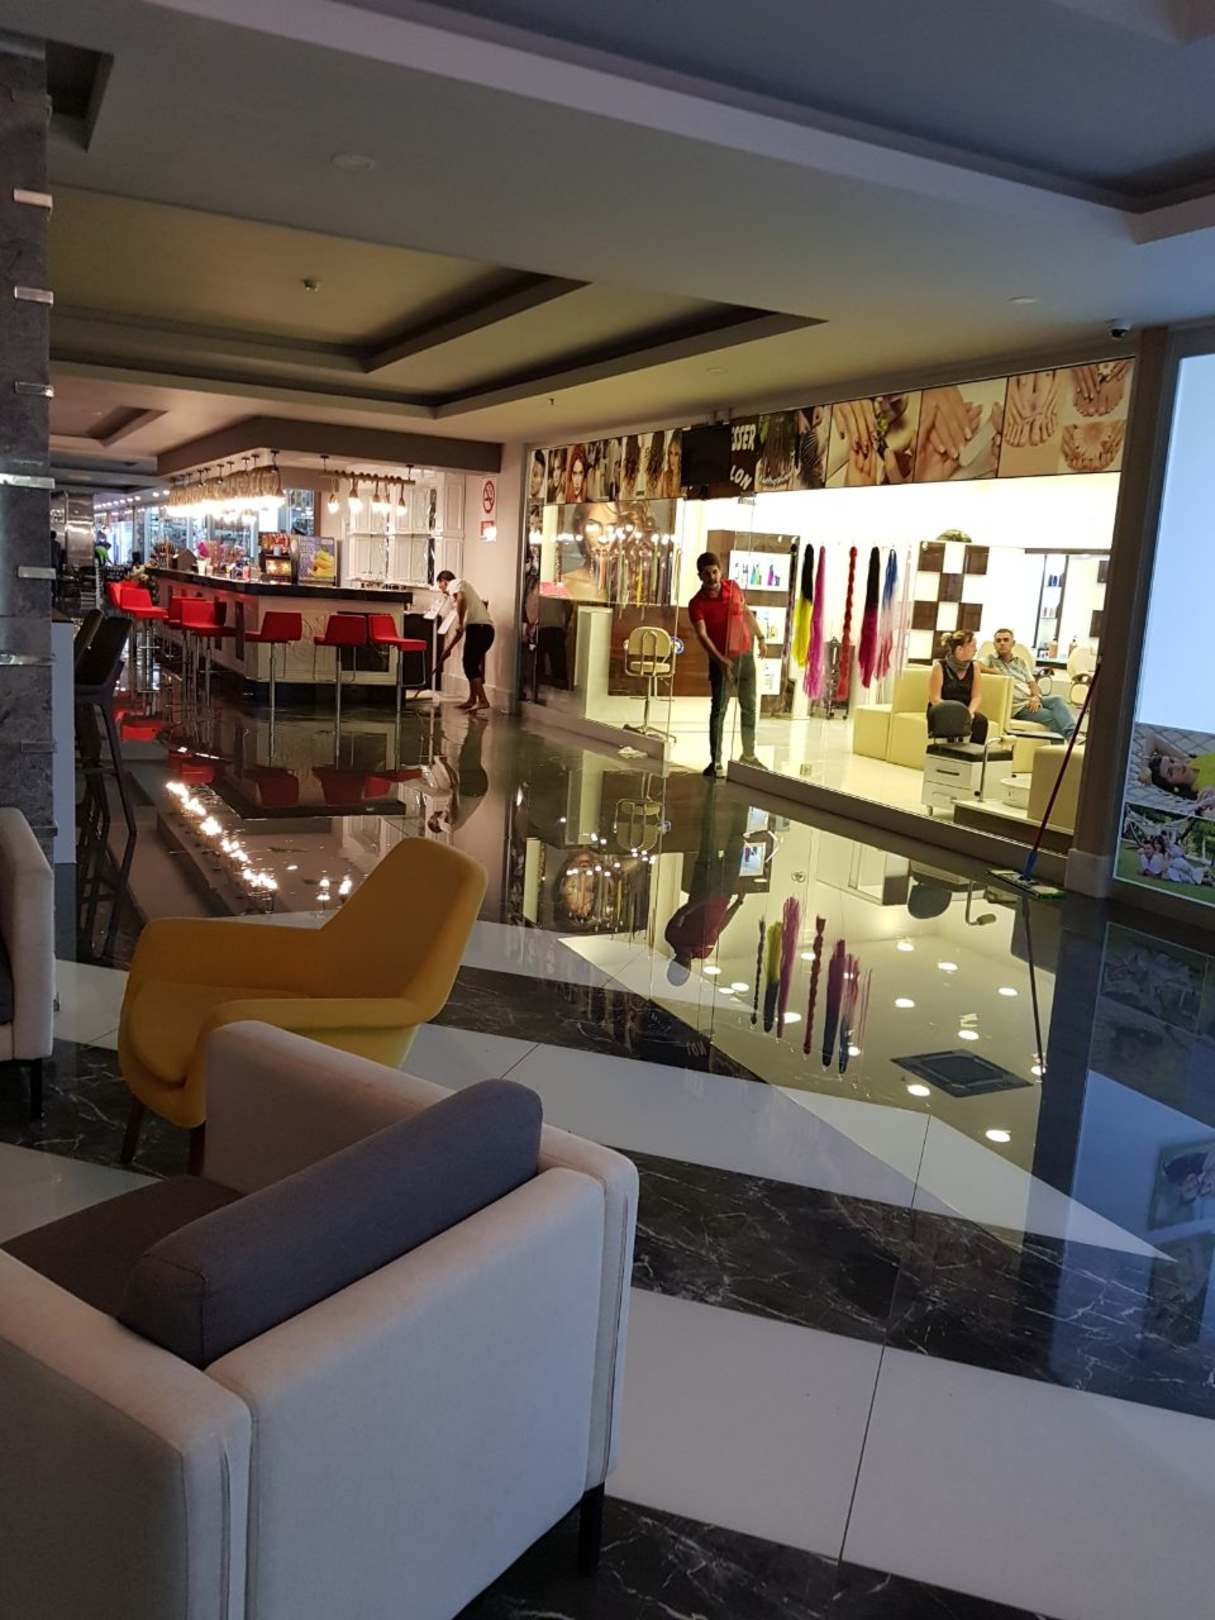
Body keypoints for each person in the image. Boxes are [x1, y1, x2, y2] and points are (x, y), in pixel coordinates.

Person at [688, 551, 767, 777]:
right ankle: (715, 762)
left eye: (715, 572)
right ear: (700, 576)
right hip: (721, 660)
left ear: (720, 571)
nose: (712, 577)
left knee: (749, 707)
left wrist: (760, 637)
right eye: (706, 574)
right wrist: (720, 660)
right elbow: (702, 635)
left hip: (745, 656)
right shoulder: (696, 604)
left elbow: (746, 613)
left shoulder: (733, 587)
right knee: (719, 710)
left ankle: (749, 756)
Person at [983, 628, 1075, 740]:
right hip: (1018, 707)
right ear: (994, 644)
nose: (1002, 643)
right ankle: (1062, 747)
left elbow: (1032, 683)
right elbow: (976, 666)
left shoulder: (1020, 662)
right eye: (998, 641)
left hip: (1030, 699)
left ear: (1013, 643)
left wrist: (1035, 697)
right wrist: (996, 672)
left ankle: (1073, 736)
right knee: (1053, 717)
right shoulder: (990, 660)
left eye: (1006, 640)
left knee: (1057, 700)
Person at [437, 569, 494, 714]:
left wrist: (460, 622)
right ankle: (472, 699)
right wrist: (448, 650)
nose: (442, 591)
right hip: (482, 630)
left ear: (444, 581)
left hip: (479, 629)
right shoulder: (462, 598)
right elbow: (460, 631)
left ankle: (482, 700)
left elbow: (461, 599)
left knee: (470, 664)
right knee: (470, 663)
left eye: (441, 586)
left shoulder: (456, 583)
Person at [927, 630, 987, 744]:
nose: (976, 650)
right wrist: (956, 712)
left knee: (981, 721)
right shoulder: (940, 667)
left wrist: (969, 712)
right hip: (943, 709)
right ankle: (949, 752)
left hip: (965, 710)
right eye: (972, 646)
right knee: (953, 720)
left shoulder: (974, 667)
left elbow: (976, 696)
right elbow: (934, 698)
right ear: (960, 649)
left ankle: (974, 752)